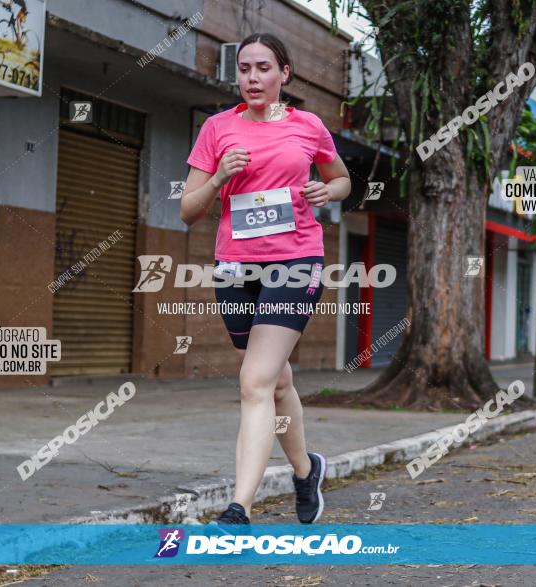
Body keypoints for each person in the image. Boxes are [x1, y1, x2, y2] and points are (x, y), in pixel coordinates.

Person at [180, 33, 351, 528]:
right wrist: (217, 178)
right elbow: (189, 211)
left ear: (285, 74)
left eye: (262, 68)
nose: (252, 78)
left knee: (253, 382)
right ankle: (306, 469)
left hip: (296, 262)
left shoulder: (308, 125)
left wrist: (327, 189)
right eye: (244, 69)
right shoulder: (217, 129)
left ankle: (240, 508)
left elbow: (341, 178)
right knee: (276, 382)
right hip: (236, 268)